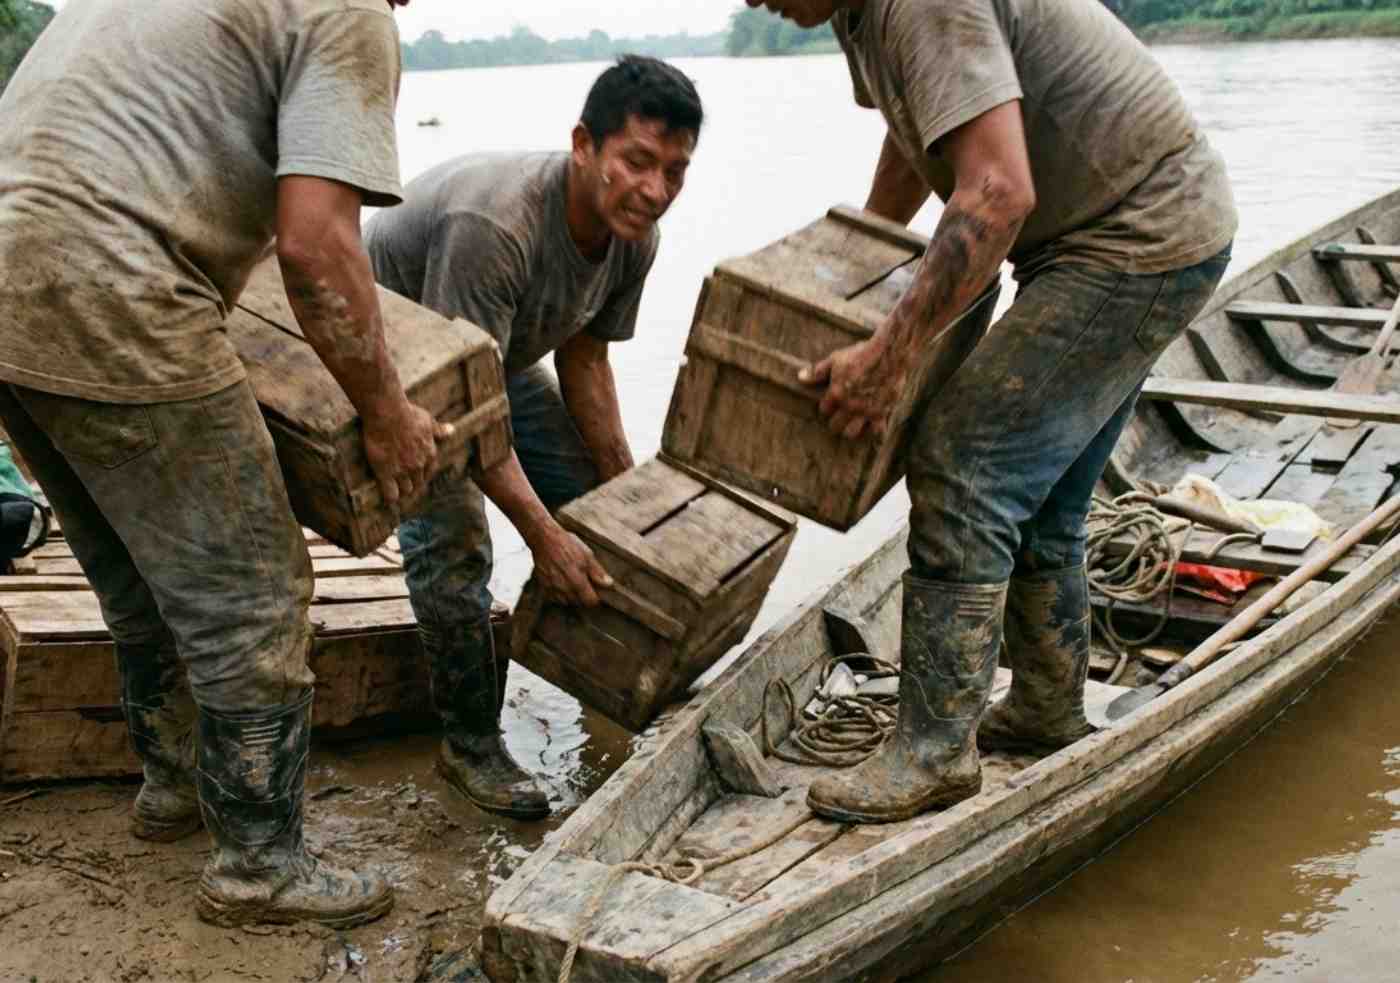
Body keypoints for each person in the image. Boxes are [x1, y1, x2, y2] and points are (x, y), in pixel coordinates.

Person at [0, 0, 444, 925]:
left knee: (134, 571)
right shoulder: (350, 10)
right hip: (112, 280)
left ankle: (172, 786)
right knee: (251, 588)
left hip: (13, 276)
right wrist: (388, 413)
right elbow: (317, 247)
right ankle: (258, 863)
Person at [746, 0, 1237, 823]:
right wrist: (868, 249)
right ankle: (1047, 709)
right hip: (1137, 231)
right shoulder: (860, 15)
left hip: (1134, 238)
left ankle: (933, 753)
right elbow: (925, 139)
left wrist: (889, 358)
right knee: (1040, 494)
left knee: (962, 462)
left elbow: (998, 192)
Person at [364, 55, 702, 820]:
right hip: (395, 358)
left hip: (486, 353)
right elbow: (461, 408)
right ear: (584, 145)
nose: (655, 191)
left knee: (594, 489)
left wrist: (629, 499)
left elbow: (584, 357)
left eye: (675, 172)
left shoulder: (633, 235)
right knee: (453, 536)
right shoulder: (498, 227)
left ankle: (607, 681)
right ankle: (470, 743)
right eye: (638, 163)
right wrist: (544, 535)